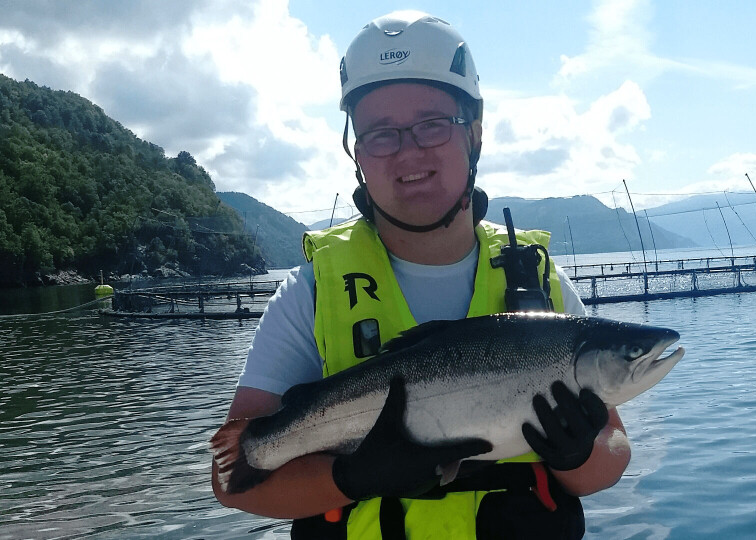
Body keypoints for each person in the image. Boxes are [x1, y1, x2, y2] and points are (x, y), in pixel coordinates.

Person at [212, 10, 630, 539]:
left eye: (432, 124)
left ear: (473, 134)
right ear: (357, 153)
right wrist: (351, 477)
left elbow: (612, 453)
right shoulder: (312, 293)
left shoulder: (539, 280)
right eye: (381, 134)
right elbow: (232, 480)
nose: (408, 151)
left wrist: (576, 454)